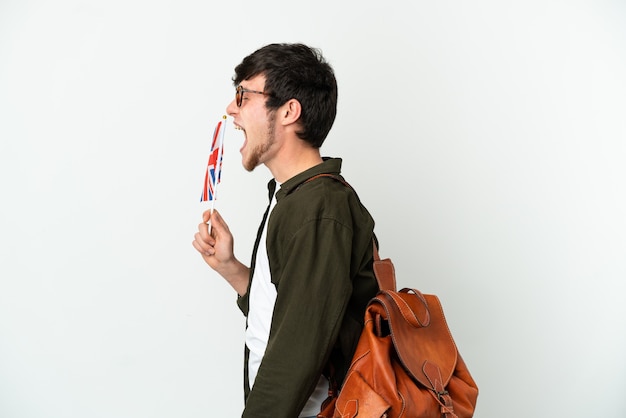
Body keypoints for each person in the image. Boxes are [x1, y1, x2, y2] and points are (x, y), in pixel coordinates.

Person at [192, 43, 379, 418]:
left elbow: (297, 352)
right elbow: (283, 311)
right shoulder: (293, 198)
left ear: (289, 111)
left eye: (243, 95)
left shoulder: (319, 208)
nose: (232, 108)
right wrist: (231, 268)